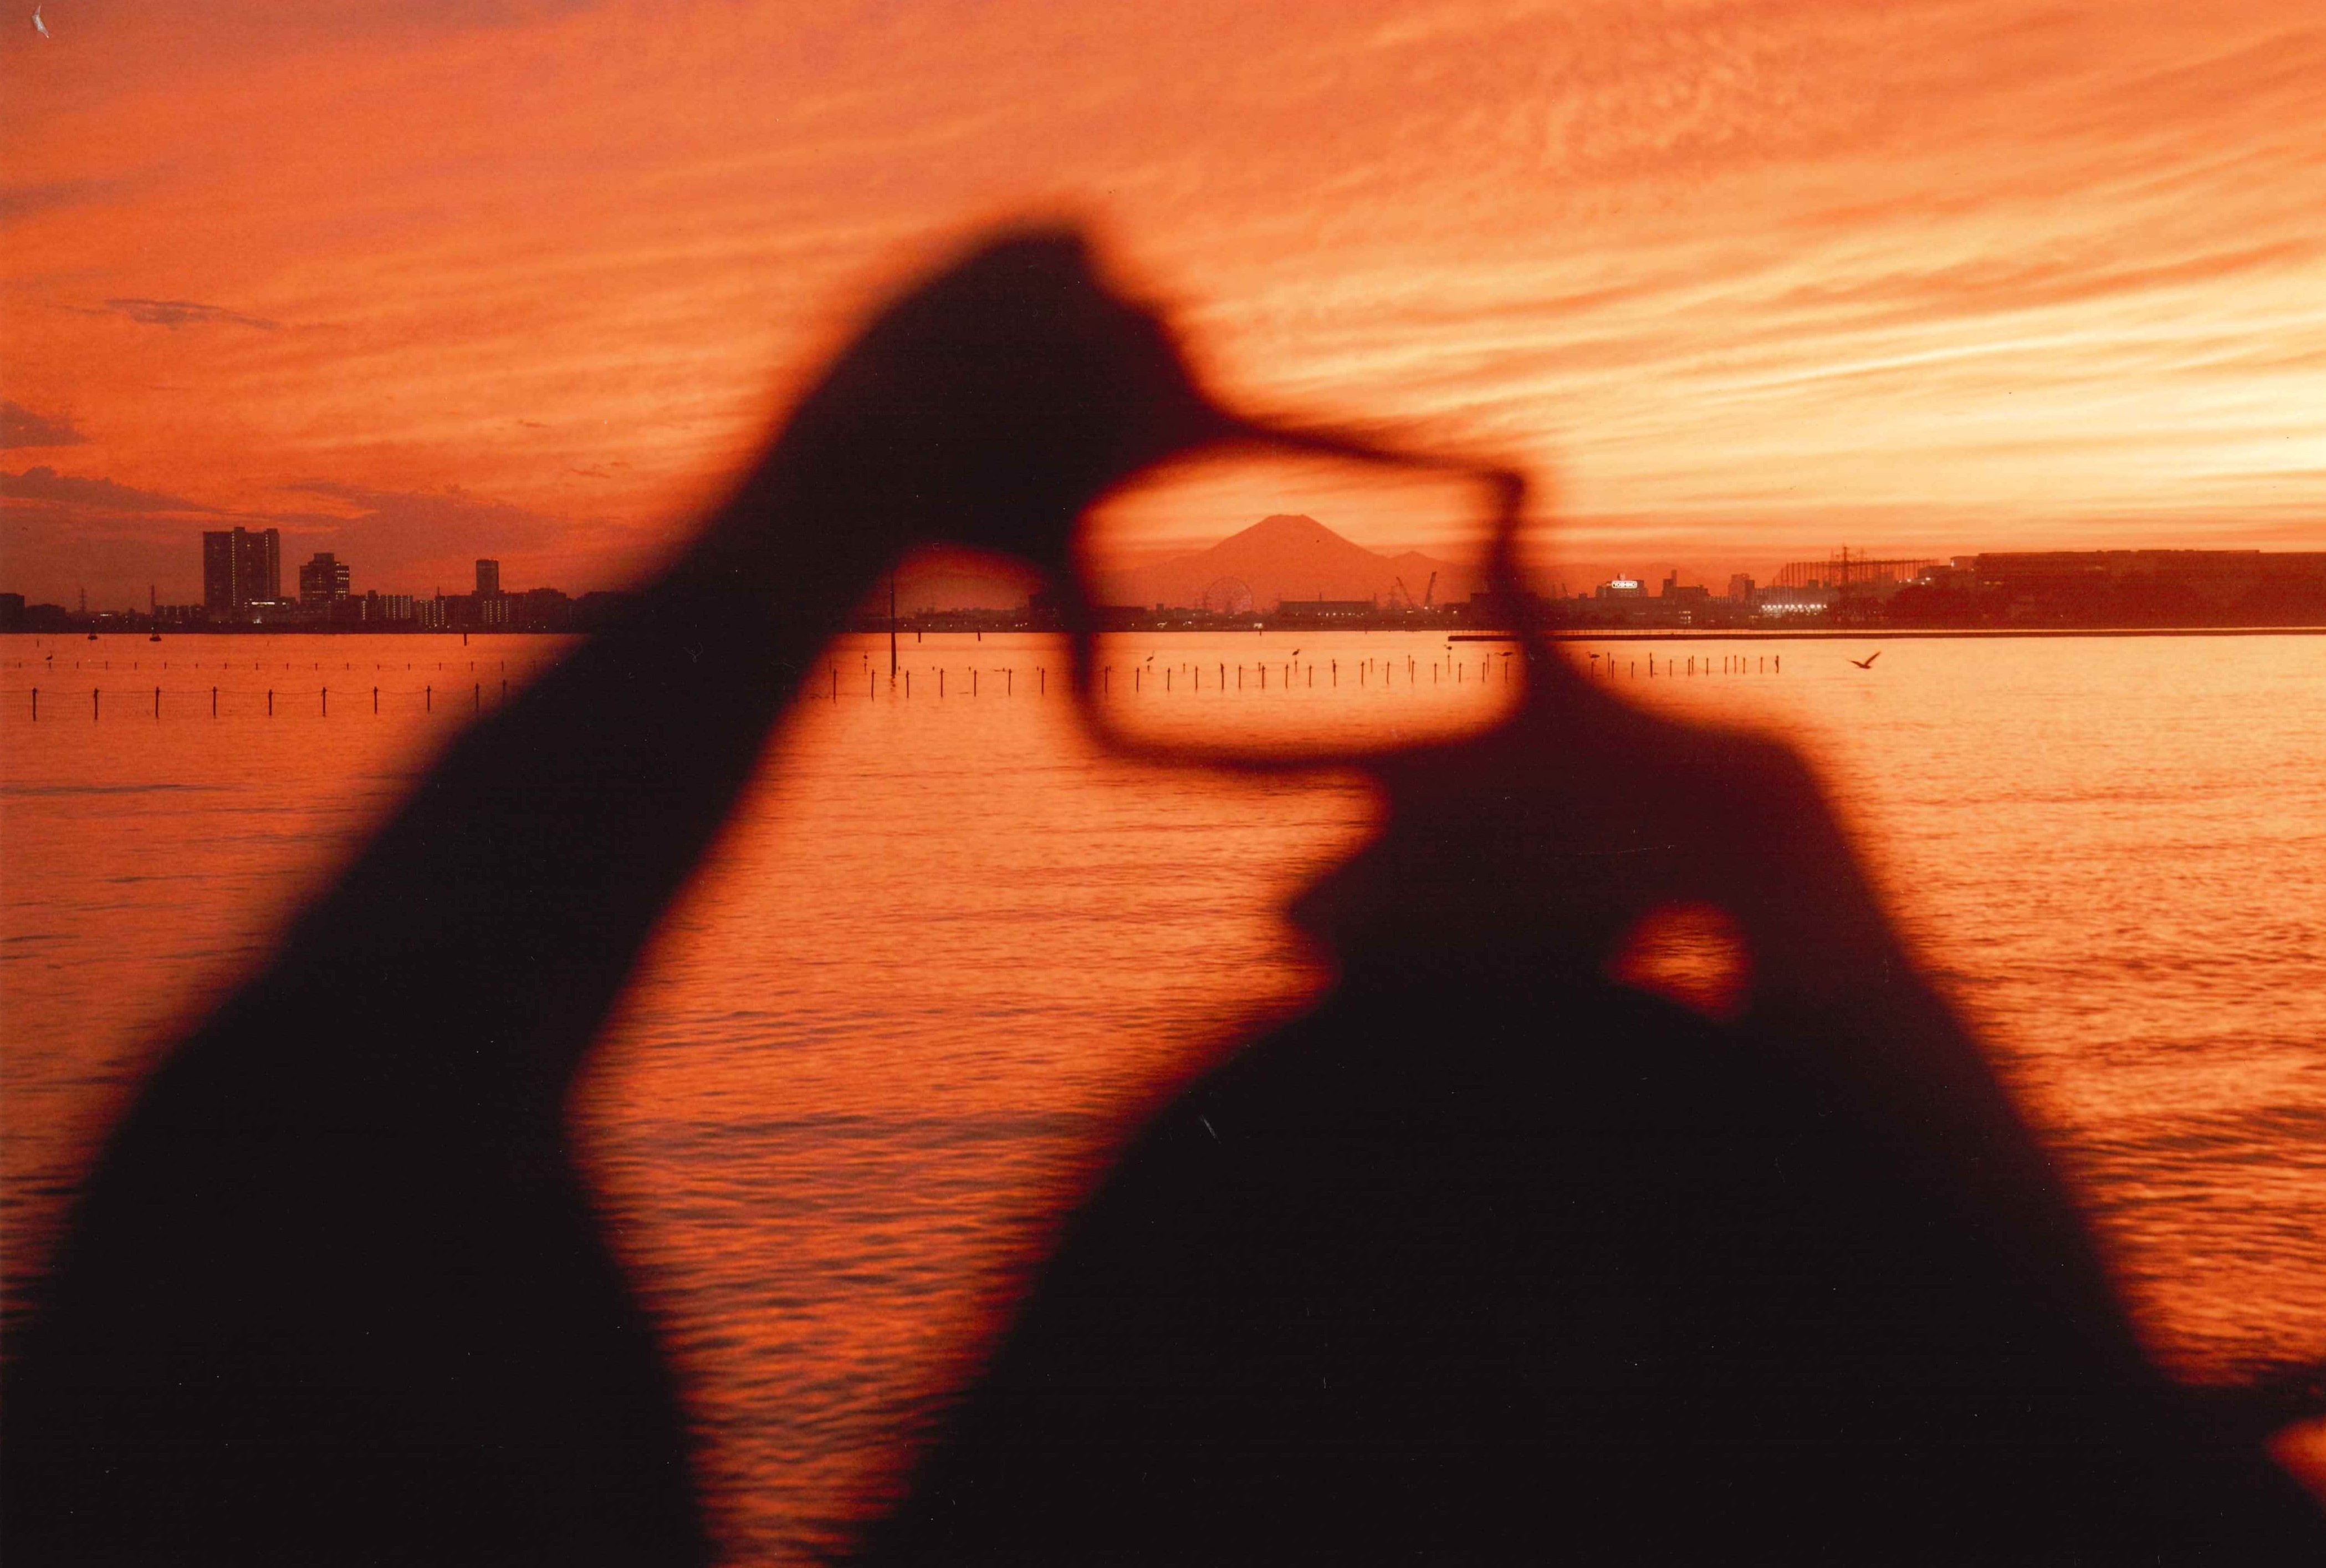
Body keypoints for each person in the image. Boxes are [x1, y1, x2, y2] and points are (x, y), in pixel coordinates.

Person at [4, 227, 2320, 1564]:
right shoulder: (2088, 1493)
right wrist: (1805, 885)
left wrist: (842, 487)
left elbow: (293, 1200)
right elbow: (2104, 1469)